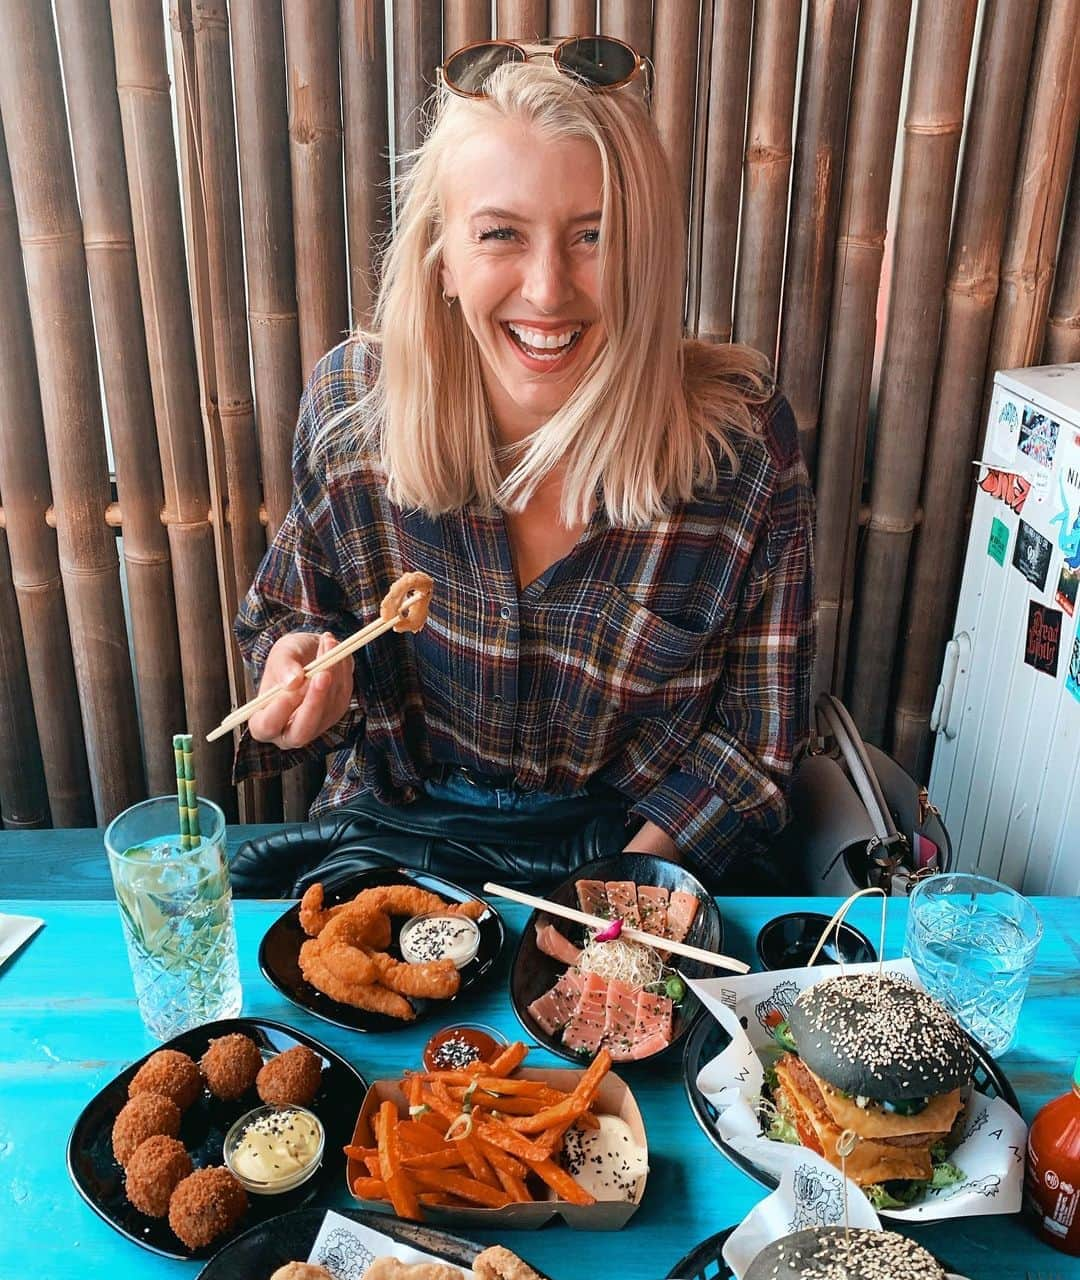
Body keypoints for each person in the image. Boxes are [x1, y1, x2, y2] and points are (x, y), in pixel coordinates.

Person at [234, 37, 815, 890]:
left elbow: (757, 743)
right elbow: (286, 625)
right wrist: (300, 682)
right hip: (400, 828)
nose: (547, 290)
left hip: (628, 847)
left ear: (646, 258)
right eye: (501, 233)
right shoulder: (353, 412)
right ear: (443, 258)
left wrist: (622, 896)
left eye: (593, 237)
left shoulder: (740, 446)